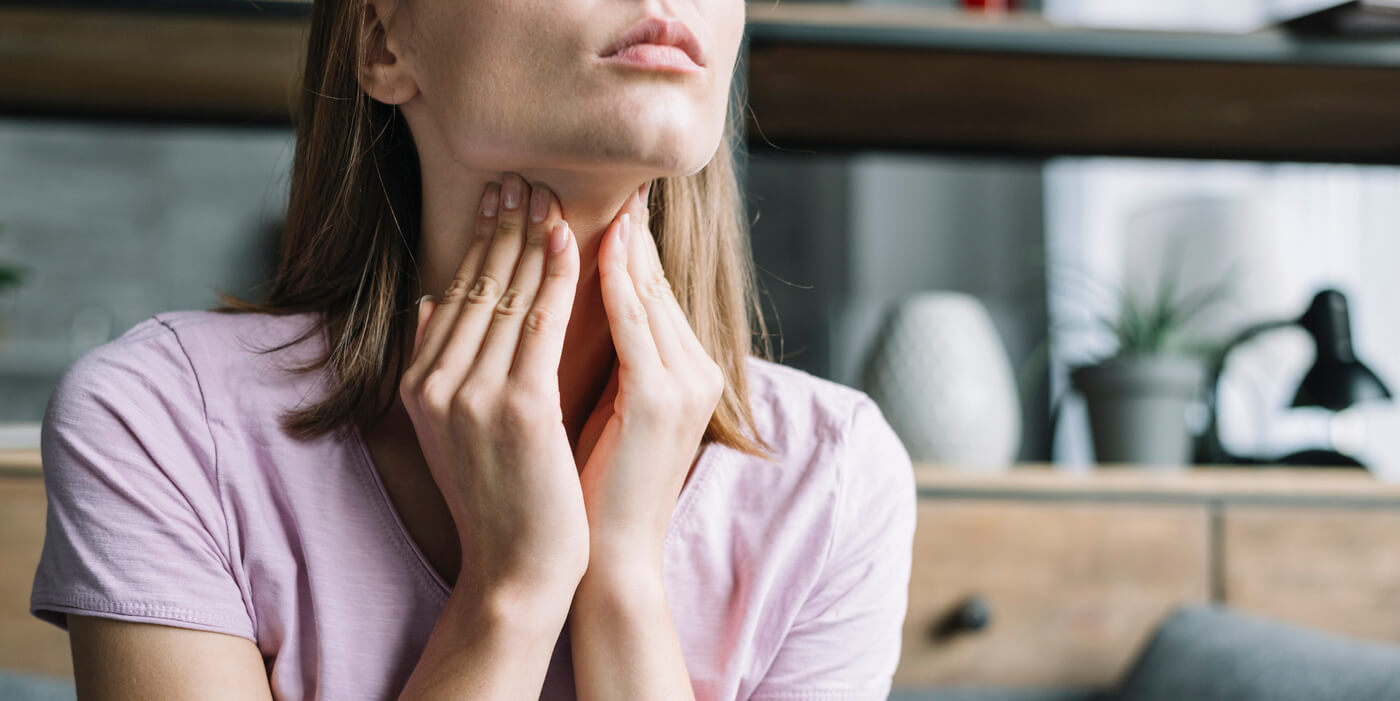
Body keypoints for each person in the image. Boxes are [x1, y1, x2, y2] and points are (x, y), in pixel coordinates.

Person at [28, 0, 917, 698]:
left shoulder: (833, 477)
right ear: (382, 39)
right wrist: (512, 592)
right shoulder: (161, 425)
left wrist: (623, 590)